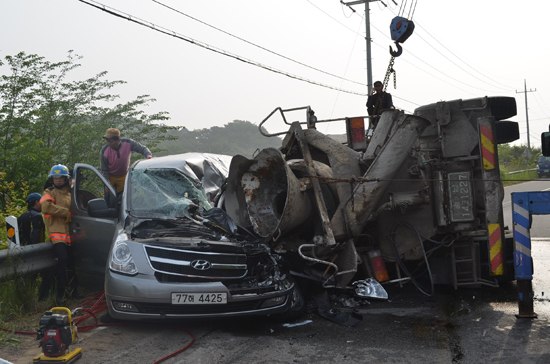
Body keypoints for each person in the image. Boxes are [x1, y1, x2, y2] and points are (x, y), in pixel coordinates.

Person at [41, 164, 82, 304]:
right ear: (52, 179)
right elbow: (45, 206)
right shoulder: (49, 192)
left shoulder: (70, 194)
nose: (58, 180)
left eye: (61, 178)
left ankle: (74, 291)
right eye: (55, 178)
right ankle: (60, 295)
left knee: (71, 262)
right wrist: (65, 212)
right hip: (56, 232)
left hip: (70, 233)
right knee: (63, 260)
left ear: (66, 179)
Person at [100, 128, 152, 198]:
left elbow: (142, 149)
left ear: (118, 140)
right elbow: (104, 169)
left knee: (123, 197)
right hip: (110, 177)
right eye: (107, 141)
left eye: (111, 141)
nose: (108, 143)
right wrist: (107, 184)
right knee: (109, 197)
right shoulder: (104, 151)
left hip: (123, 175)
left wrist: (148, 156)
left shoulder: (128, 143)